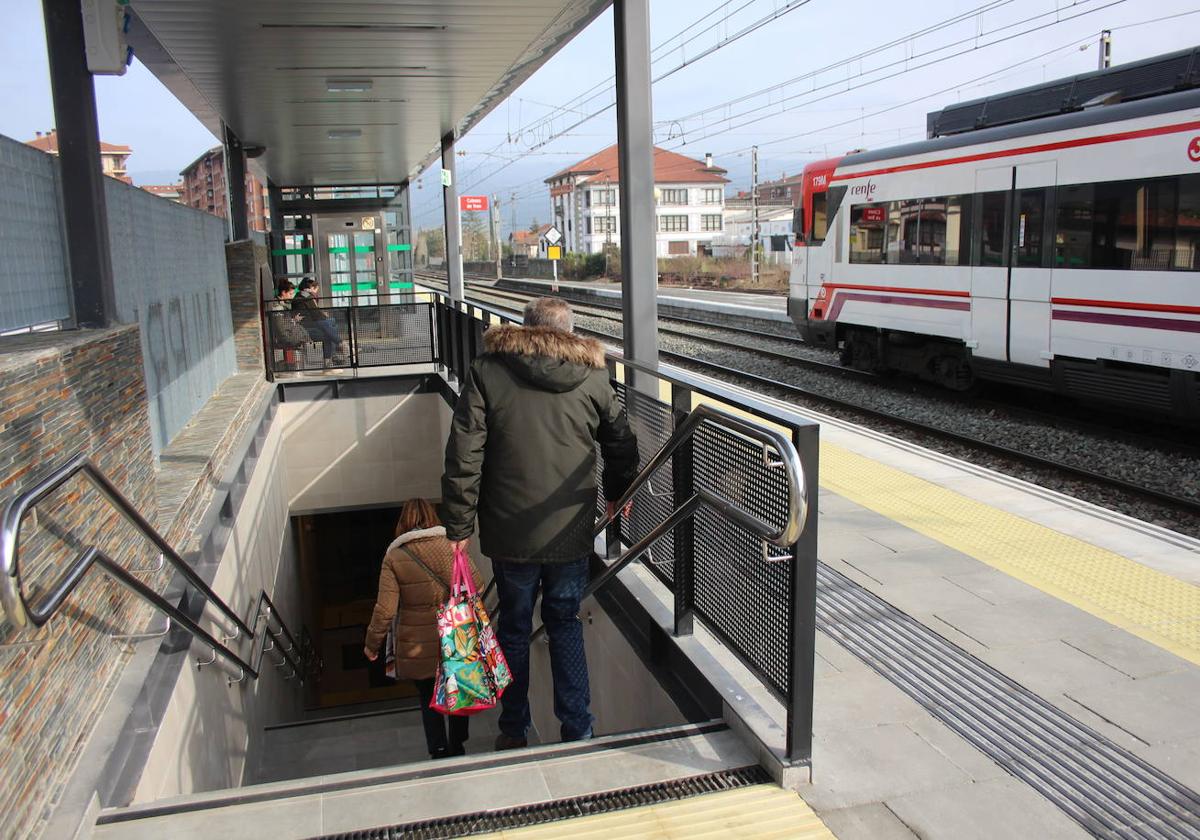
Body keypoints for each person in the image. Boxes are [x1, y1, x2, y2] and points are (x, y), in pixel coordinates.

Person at [440, 297, 639, 749]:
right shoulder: (593, 375)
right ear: (569, 332)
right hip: (569, 526)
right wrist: (617, 496)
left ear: (526, 328)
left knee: (512, 625)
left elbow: (464, 454)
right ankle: (578, 728)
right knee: (564, 620)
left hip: (509, 532)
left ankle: (513, 730)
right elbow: (621, 442)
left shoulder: (488, 372)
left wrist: (458, 527)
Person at [364, 498, 483, 760]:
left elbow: (385, 609)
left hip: (416, 640)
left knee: (427, 692)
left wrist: (372, 645)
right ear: (433, 517)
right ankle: (458, 743)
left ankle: (438, 747)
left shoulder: (394, 557)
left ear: (403, 523)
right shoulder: (452, 546)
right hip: (455, 632)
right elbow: (477, 583)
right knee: (458, 684)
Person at [291, 278, 345, 369]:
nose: (316, 292)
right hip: (306, 328)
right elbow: (315, 314)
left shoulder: (303, 296)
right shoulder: (307, 297)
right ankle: (339, 348)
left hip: (309, 324)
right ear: (311, 288)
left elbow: (314, 313)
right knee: (329, 326)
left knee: (330, 326)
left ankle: (339, 347)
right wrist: (323, 316)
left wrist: (323, 315)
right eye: (316, 290)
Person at [267, 279, 311, 370]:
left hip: (287, 333)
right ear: (283, 292)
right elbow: (280, 327)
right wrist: (292, 322)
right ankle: (287, 366)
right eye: (290, 294)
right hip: (283, 336)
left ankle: (288, 365)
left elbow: (283, 323)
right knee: (303, 337)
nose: (292, 296)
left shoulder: (282, 305)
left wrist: (292, 320)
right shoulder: (278, 307)